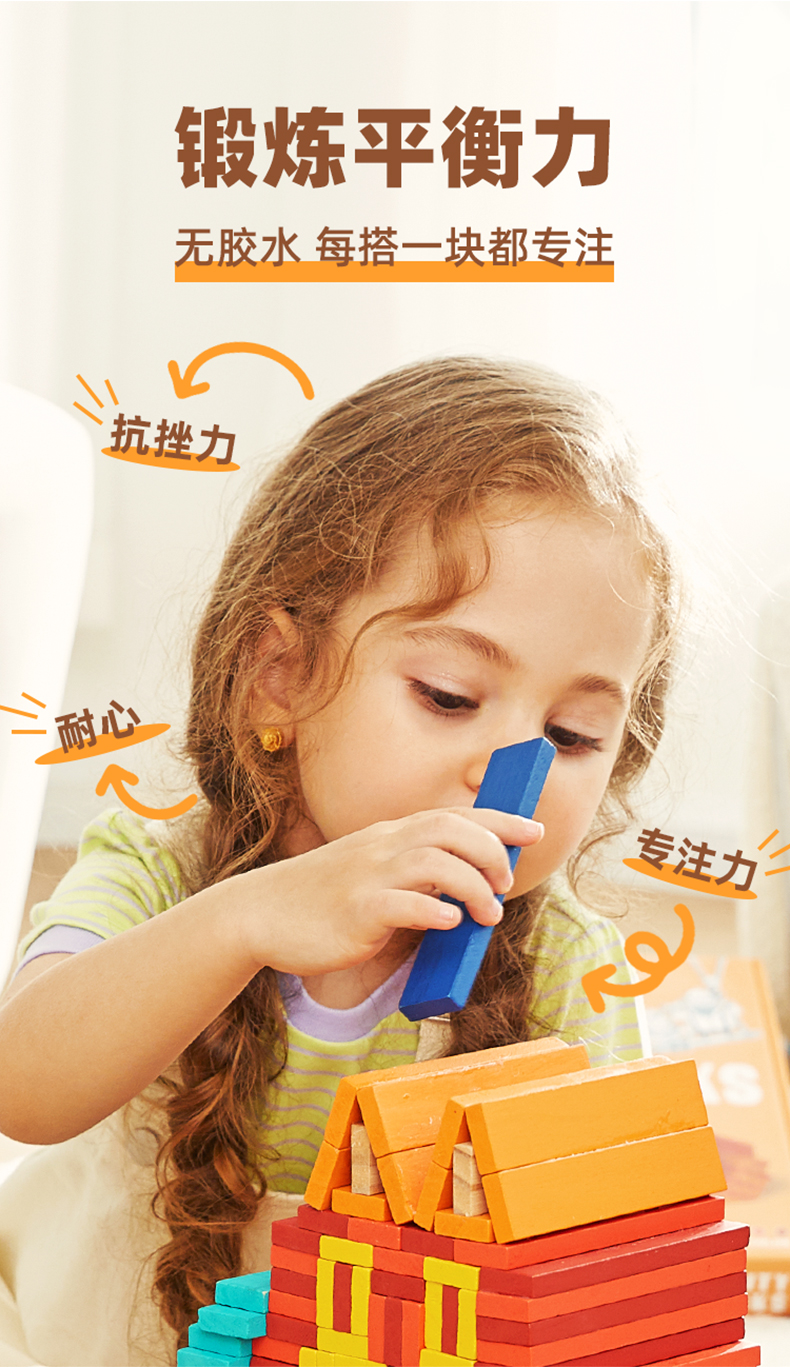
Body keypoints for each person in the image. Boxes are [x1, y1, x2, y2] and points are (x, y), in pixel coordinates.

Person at [0, 356, 679, 1366]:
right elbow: (22, 1085)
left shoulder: (569, 964)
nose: (513, 769)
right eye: (449, 695)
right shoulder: (157, 871)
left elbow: (611, 1276)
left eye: (573, 734)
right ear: (280, 673)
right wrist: (242, 921)